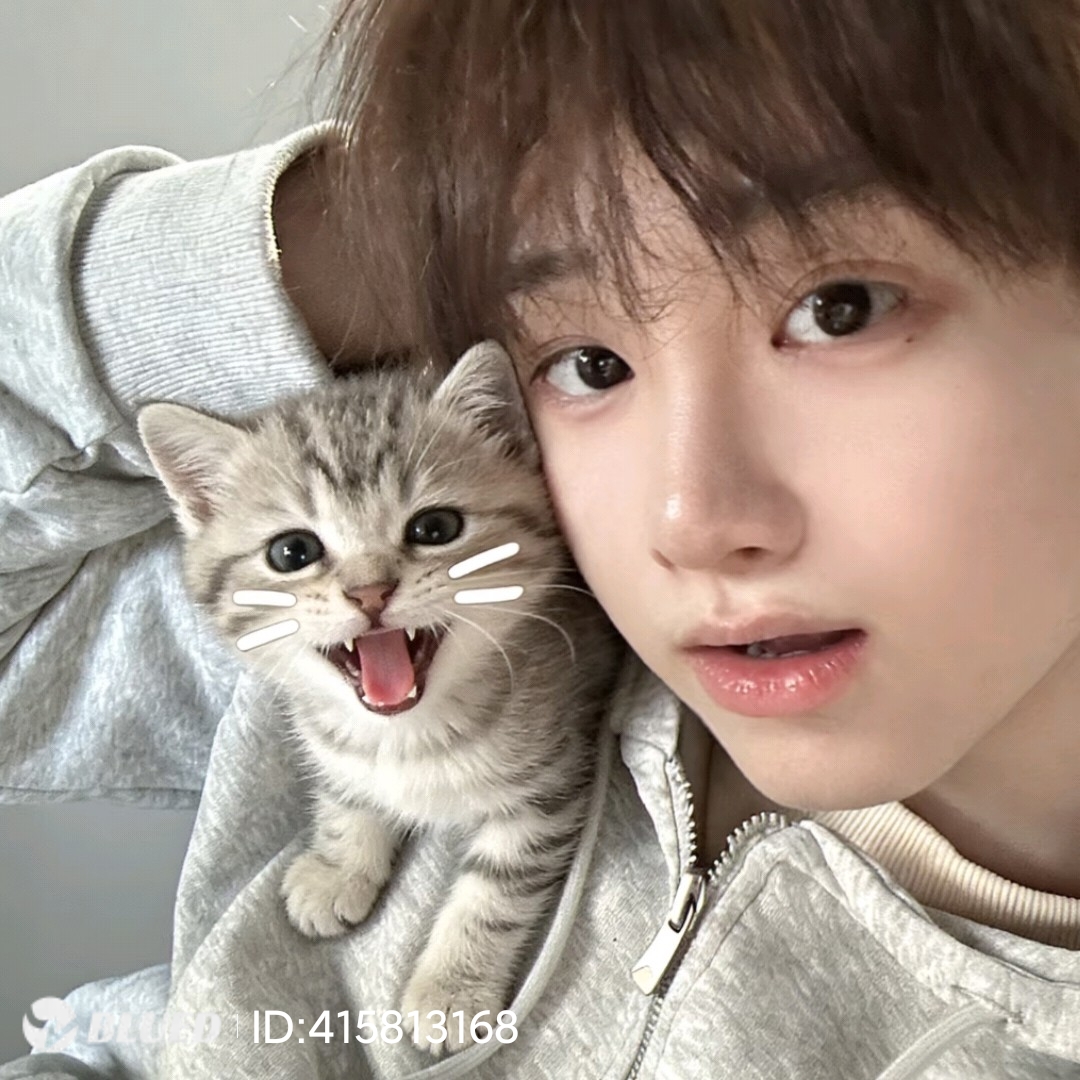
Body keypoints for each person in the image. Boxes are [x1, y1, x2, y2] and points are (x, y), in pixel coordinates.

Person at [2, 1, 1079, 1078]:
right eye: (586, 363)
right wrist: (419, 221)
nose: (689, 522)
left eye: (842, 308)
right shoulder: (352, 639)